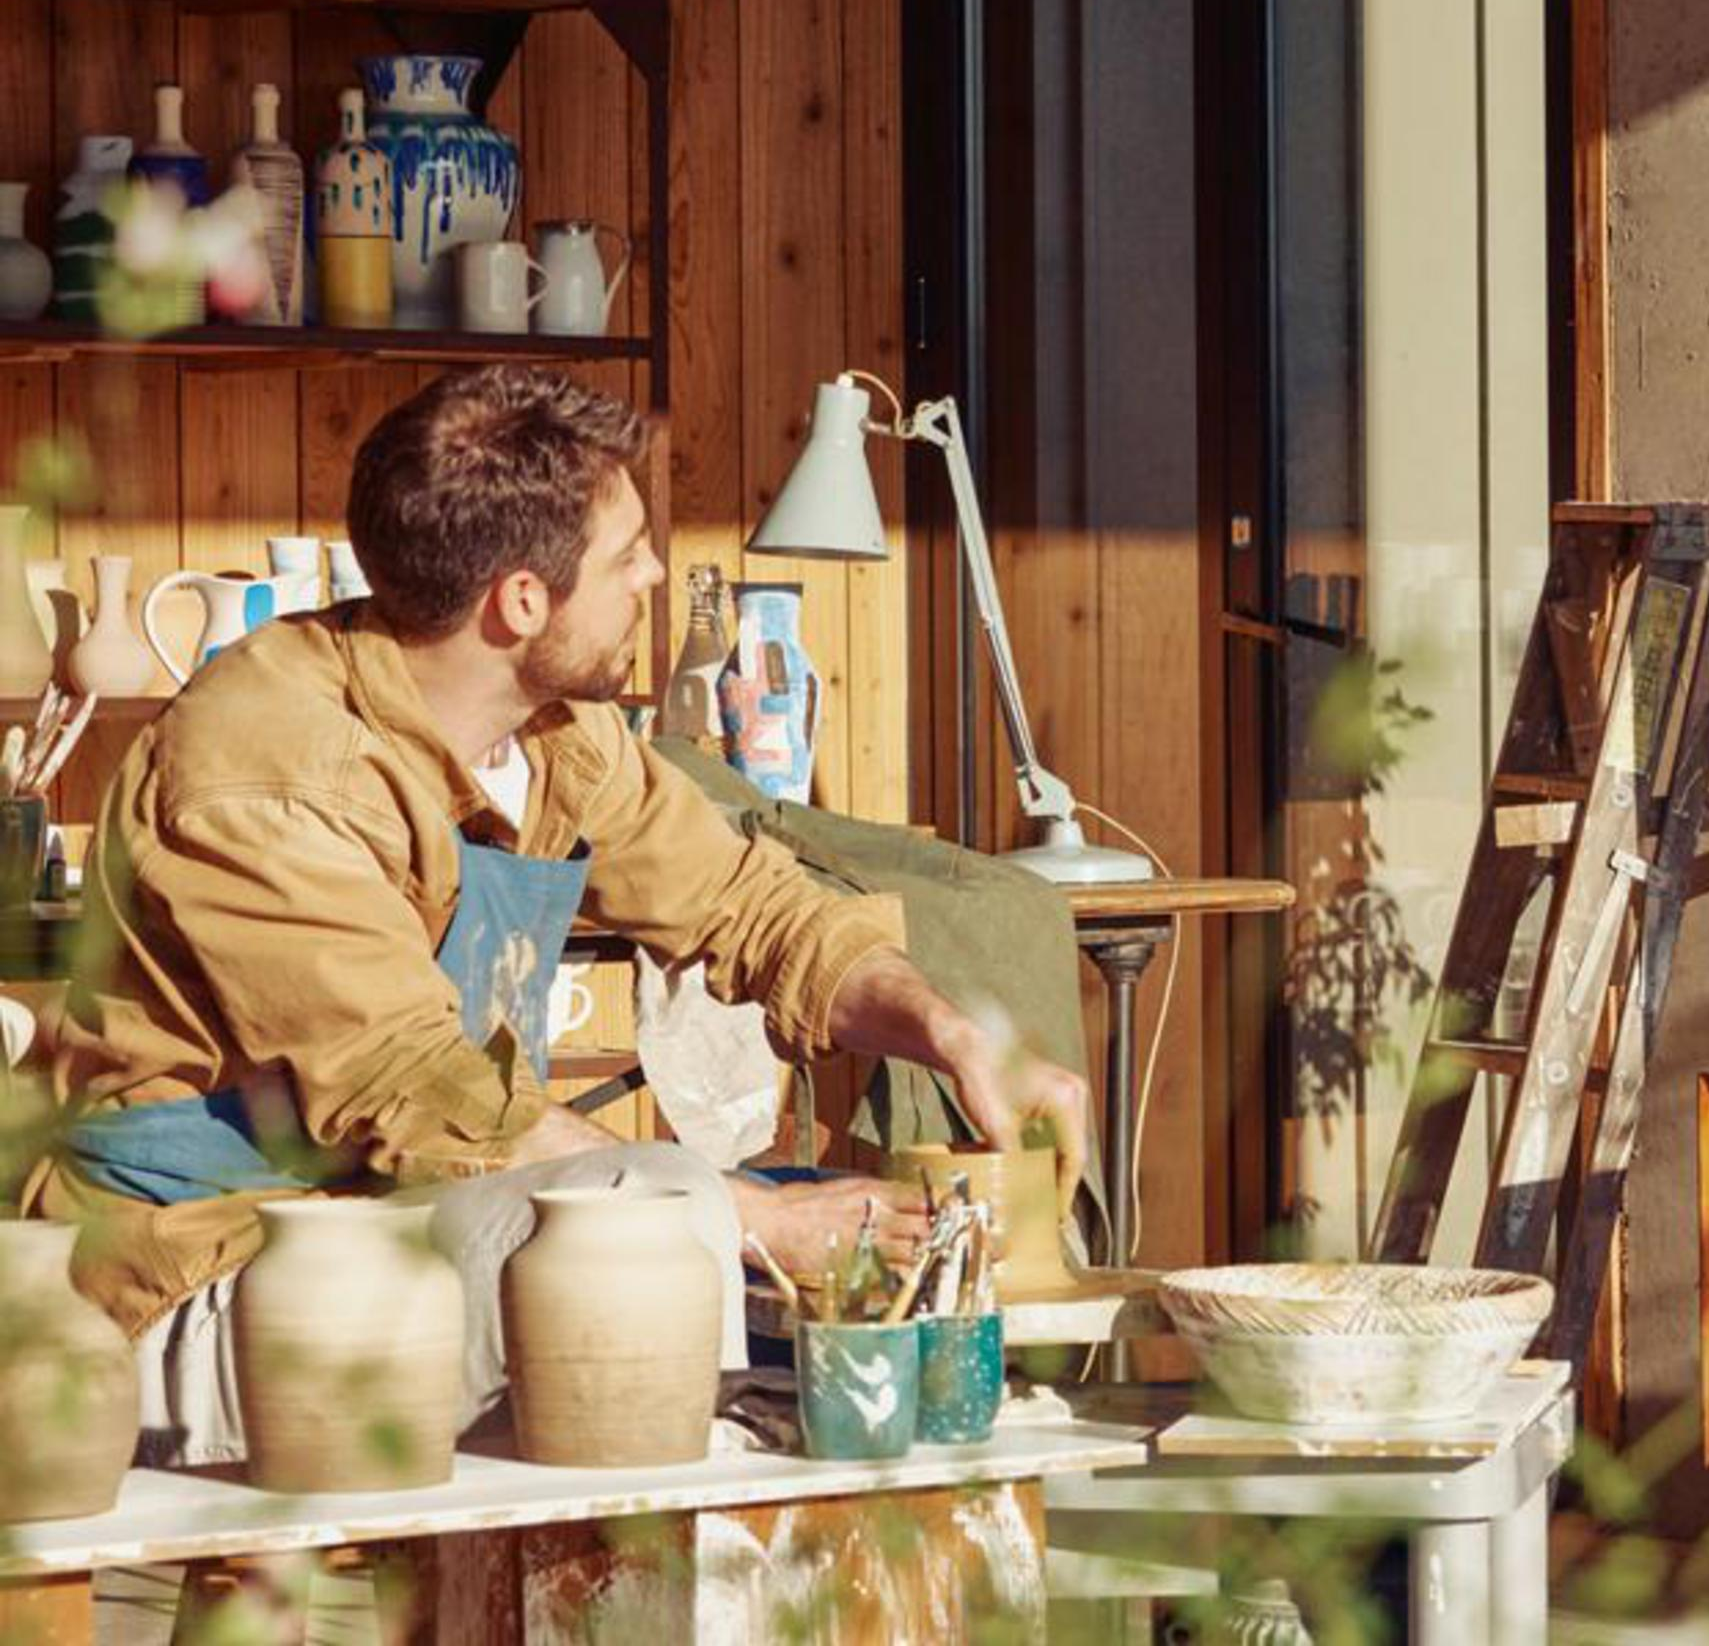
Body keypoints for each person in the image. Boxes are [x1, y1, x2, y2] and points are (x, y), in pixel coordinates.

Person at [21, 365, 1090, 1465]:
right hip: (213, 1284)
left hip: (395, 1219)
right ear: (522, 600)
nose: (657, 573)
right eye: (629, 556)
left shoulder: (556, 732)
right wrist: (750, 1224)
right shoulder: (265, 769)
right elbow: (424, 1097)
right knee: (658, 1216)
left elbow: (754, 904)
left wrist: (960, 1033)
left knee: (869, 1238)